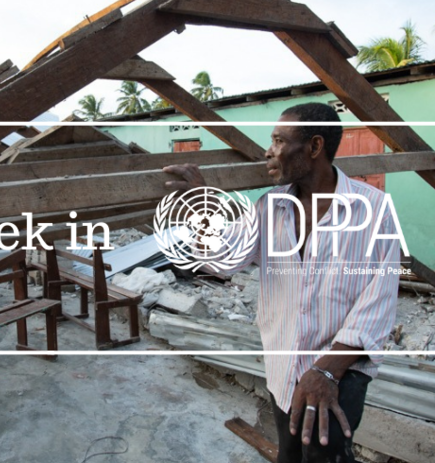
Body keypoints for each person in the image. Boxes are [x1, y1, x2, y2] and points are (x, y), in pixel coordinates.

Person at [163, 103, 400, 463]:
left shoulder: (374, 210)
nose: (268, 151)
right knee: (289, 456)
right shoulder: (269, 207)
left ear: (314, 146)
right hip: (283, 369)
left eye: (278, 141)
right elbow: (223, 260)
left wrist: (325, 370)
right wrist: (202, 207)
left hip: (341, 371)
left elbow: (378, 301)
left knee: (325, 457)